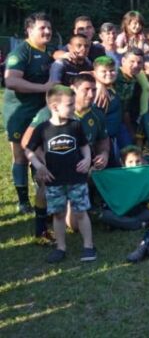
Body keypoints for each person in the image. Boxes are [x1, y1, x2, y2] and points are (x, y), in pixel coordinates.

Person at [25, 85, 96, 263]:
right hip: (54, 180)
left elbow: (84, 146)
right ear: (55, 107)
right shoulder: (43, 129)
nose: (74, 107)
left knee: (81, 212)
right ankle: (60, 247)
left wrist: (87, 159)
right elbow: (28, 150)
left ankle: (88, 246)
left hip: (76, 178)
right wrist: (39, 166)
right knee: (58, 214)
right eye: (70, 105)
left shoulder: (75, 125)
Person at [4, 12, 55, 214]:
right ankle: (23, 201)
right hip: (20, 113)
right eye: (42, 28)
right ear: (29, 30)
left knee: (40, 152)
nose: (47, 31)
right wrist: (44, 88)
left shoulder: (48, 50)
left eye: (49, 27)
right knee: (21, 157)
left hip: (41, 112)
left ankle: (41, 195)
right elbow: (11, 81)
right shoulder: (20, 53)